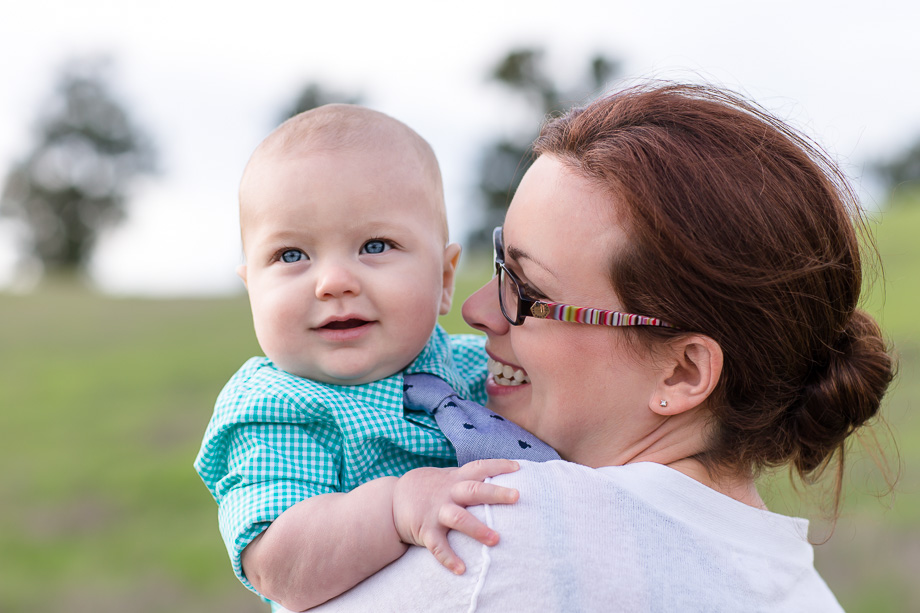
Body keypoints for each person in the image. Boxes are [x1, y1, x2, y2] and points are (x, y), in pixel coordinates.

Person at [304, 82, 895, 612]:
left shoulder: (503, 532)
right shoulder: (796, 587)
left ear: (682, 373)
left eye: (528, 291)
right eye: (499, 262)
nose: (476, 311)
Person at [194, 104, 525, 612]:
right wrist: (395, 508)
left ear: (443, 279)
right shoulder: (273, 409)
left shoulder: (484, 368)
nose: (334, 282)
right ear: (252, 290)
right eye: (291, 255)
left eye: (375, 245)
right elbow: (277, 567)